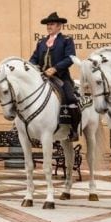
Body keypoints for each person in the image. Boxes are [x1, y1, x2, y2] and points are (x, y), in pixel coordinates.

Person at [30, 11, 79, 140]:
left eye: (52, 24)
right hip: (42, 77)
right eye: (48, 25)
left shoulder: (66, 40)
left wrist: (55, 68)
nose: (49, 27)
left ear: (59, 26)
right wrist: (32, 66)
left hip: (60, 77)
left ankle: (73, 130)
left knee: (70, 98)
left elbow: (70, 58)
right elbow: (34, 58)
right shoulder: (42, 42)